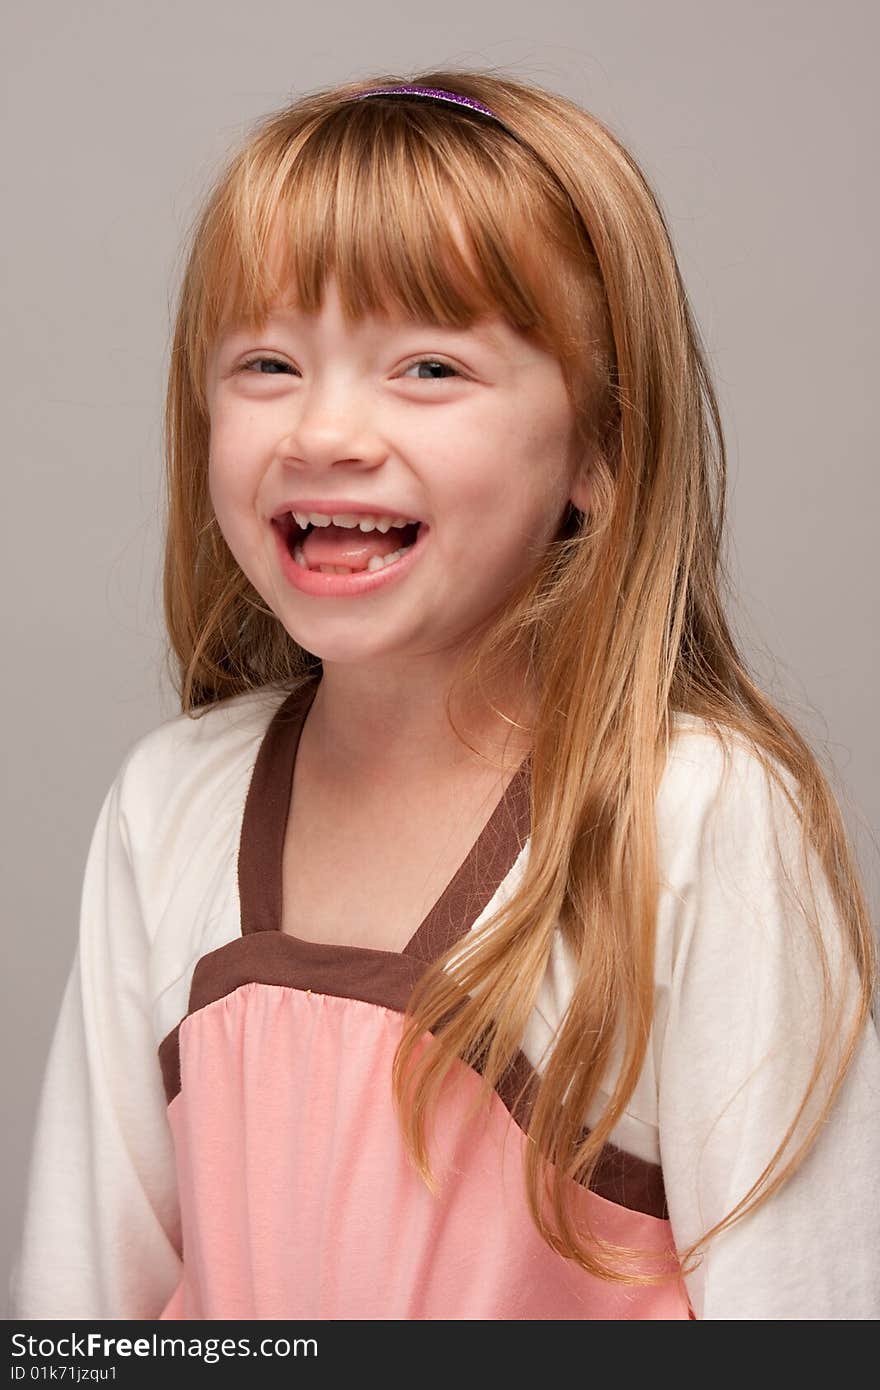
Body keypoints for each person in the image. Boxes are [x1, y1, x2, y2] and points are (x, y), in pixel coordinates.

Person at [10, 70, 879, 1322]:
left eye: (426, 367)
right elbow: (78, 1303)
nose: (326, 430)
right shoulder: (170, 802)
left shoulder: (695, 820)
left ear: (600, 451)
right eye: (267, 362)